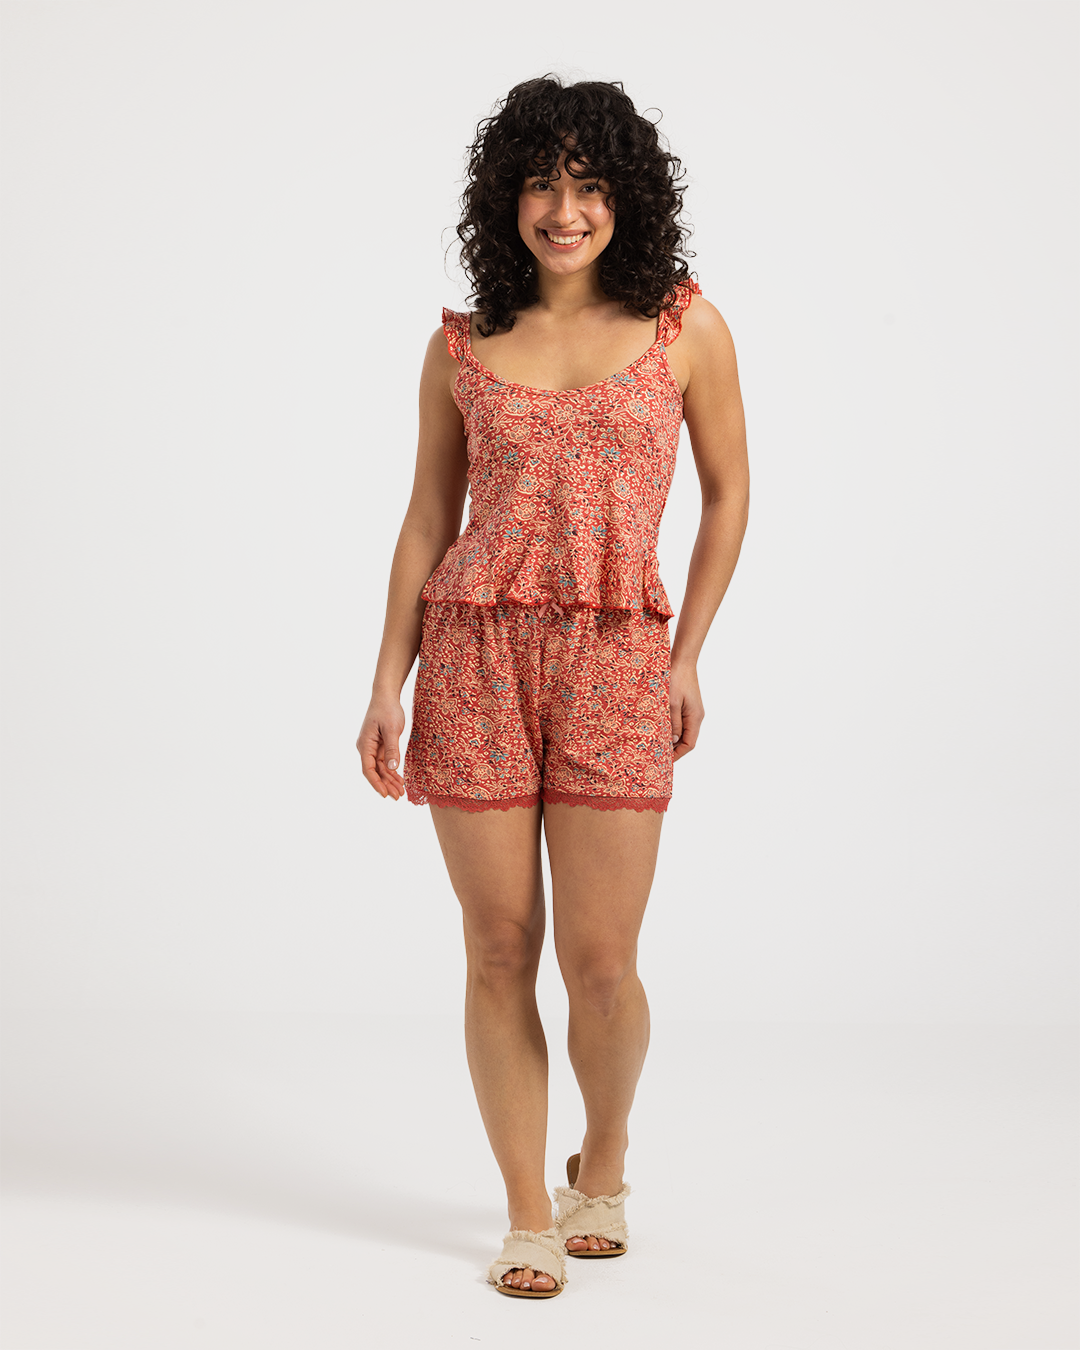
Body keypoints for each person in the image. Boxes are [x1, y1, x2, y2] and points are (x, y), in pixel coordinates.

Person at [356, 76, 749, 1299]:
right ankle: (528, 1211)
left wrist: (686, 655)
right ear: (506, 198)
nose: (564, 209)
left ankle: (605, 1159)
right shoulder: (462, 347)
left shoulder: (686, 327)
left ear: (627, 197)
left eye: (588, 184)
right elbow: (428, 519)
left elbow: (730, 494)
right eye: (540, 182)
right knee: (496, 948)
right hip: (473, 655)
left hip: (617, 658)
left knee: (601, 964)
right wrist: (387, 679)